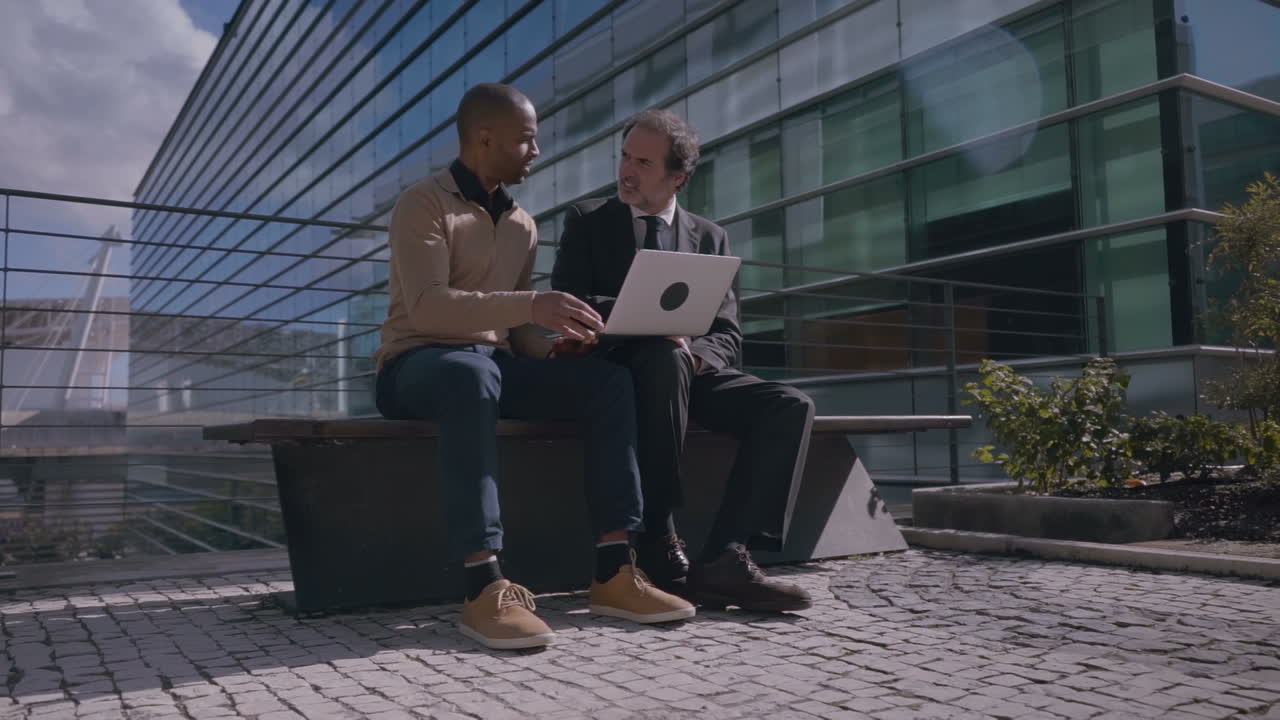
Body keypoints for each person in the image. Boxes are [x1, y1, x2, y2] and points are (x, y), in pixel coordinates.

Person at [374, 85, 693, 650]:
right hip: (417, 364)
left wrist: (554, 347)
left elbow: (515, 331)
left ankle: (614, 570)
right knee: (468, 376)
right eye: (526, 140)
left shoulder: (522, 222)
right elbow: (427, 304)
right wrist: (530, 306)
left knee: (606, 381)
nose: (536, 151)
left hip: (494, 365)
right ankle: (483, 585)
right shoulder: (422, 203)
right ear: (484, 138)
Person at [551, 109, 816, 613]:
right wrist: (649, 324)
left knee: (790, 405)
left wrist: (692, 354)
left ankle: (727, 557)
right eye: (625, 156)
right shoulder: (588, 221)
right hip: (619, 374)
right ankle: (657, 538)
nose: (626, 171)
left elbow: (727, 334)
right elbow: (570, 302)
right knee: (662, 358)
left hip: (688, 373)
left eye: (643, 163)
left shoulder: (710, 238)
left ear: (679, 177)